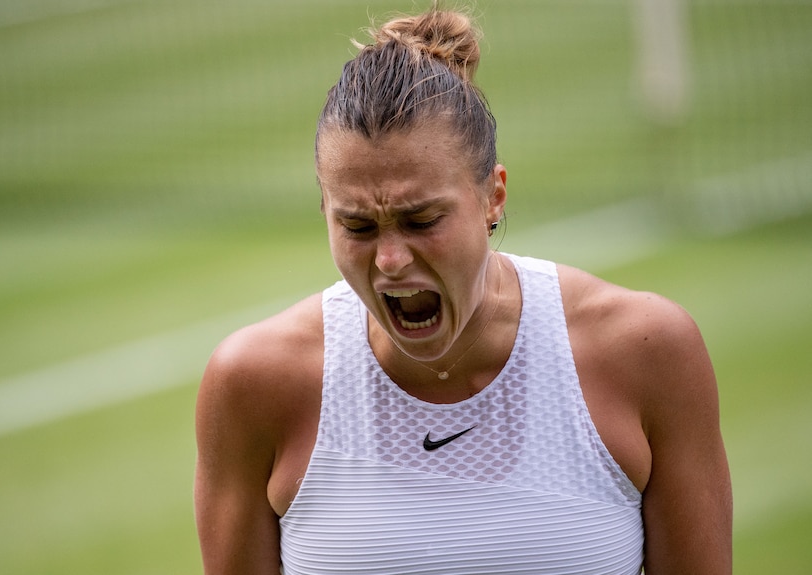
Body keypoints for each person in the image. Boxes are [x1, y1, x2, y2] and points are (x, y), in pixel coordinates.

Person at [194, 3, 732, 574]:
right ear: (324, 210)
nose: (392, 261)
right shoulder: (252, 384)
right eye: (357, 226)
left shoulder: (648, 352)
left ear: (493, 196)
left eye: (422, 220)